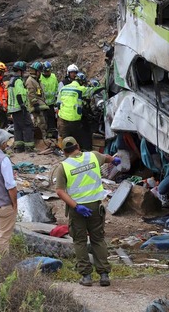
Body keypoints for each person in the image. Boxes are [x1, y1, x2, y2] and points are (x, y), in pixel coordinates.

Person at [54, 136, 120, 287]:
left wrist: (76, 206)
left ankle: (87, 277)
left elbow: (59, 191)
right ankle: (104, 275)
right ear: (78, 145)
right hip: (96, 207)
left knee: (80, 241)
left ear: (64, 152)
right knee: (98, 239)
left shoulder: (63, 166)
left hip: (78, 209)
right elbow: (108, 158)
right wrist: (114, 160)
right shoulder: (93, 156)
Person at [7, 61, 34, 152]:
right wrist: (22, 105)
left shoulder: (11, 80)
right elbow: (19, 94)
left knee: (17, 128)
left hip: (13, 108)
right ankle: (29, 147)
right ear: (20, 71)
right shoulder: (18, 81)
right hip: (19, 108)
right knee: (27, 126)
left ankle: (19, 148)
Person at [56, 72, 87, 150]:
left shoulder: (63, 88)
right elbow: (91, 91)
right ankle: (76, 151)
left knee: (65, 136)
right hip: (74, 117)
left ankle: (65, 152)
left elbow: (58, 103)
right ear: (81, 82)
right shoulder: (80, 89)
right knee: (75, 137)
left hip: (63, 117)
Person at [26, 62, 49, 143]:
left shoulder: (37, 80)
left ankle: (43, 139)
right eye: (40, 71)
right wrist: (35, 105)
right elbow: (31, 94)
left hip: (40, 106)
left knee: (43, 123)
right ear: (37, 71)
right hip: (36, 107)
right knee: (39, 124)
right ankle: (41, 141)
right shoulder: (30, 81)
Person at [39, 61, 58, 138]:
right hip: (43, 103)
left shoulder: (53, 76)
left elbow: (56, 87)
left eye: (49, 70)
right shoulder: (40, 78)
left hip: (52, 103)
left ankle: (52, 133)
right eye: (47, 71)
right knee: (44, 120)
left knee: (52, 119)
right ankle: (45, 134)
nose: (48, 72)